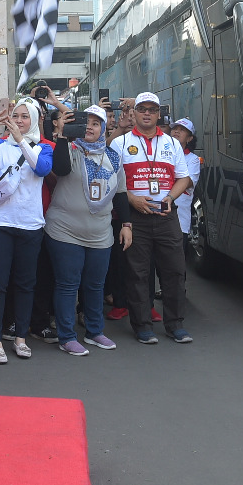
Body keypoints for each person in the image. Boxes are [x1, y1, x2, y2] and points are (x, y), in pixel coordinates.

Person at [110, 91, 193, 344]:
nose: (147, 113)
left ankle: (175, 324)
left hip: (167, 216)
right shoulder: (119, 144)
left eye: (152, 109)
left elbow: (184, 177)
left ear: (159, 114)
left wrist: (170, 197)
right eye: (142, 109)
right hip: (135, 218)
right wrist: (132, 199)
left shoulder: (172, 143)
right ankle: (142, 325)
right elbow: (111, 180)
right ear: (133, 113)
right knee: (138, 274)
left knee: (175, 272)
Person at [0, 97, 53, 364]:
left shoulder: (43, 147)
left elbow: (42, 168)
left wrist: (22, 140)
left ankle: (21, 337)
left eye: (24, 116)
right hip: (0, 224)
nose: (19, 120)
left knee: (25, 284)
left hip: (31, 225)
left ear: (33, 120)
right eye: (15, 115)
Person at [44, 106, 121, 356]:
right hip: (65, 231)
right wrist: (65, 136)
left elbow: (120, 194)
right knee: (68, 285)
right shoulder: (70, 149)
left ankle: (95, 331)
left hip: (100, 234)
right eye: (84, 122)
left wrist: (127, 225)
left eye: (95, 123)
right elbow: (62, 169)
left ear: (103, 129)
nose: (89, 127)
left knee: (95, 285)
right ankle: (66, 336)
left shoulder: (113, 156)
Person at [170, 117, 201, 246]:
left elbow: (187, 182)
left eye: (182, 130)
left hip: (180, 220)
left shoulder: (192, 159)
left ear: (189, 138)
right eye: (175, 129)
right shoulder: (161, 153)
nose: (177, 132)